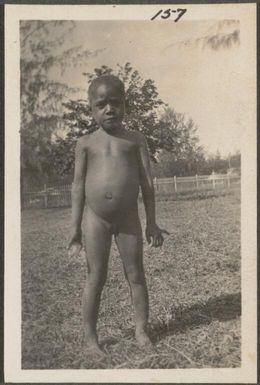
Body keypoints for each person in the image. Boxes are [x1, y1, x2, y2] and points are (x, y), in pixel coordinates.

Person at [68, 75, 168, 354]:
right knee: (95, 277)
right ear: (91, 108)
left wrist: (152, 222)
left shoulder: (136, 140)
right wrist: (75, 228)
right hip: (95, 219)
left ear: (125, 104)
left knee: (136, 274)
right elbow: (77, 187)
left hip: (128, 219)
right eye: (101, 104)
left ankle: (140, 329)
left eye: (116, 102)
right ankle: (90, 338)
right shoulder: (85, 143)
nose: (109, 109)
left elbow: (147, 182)